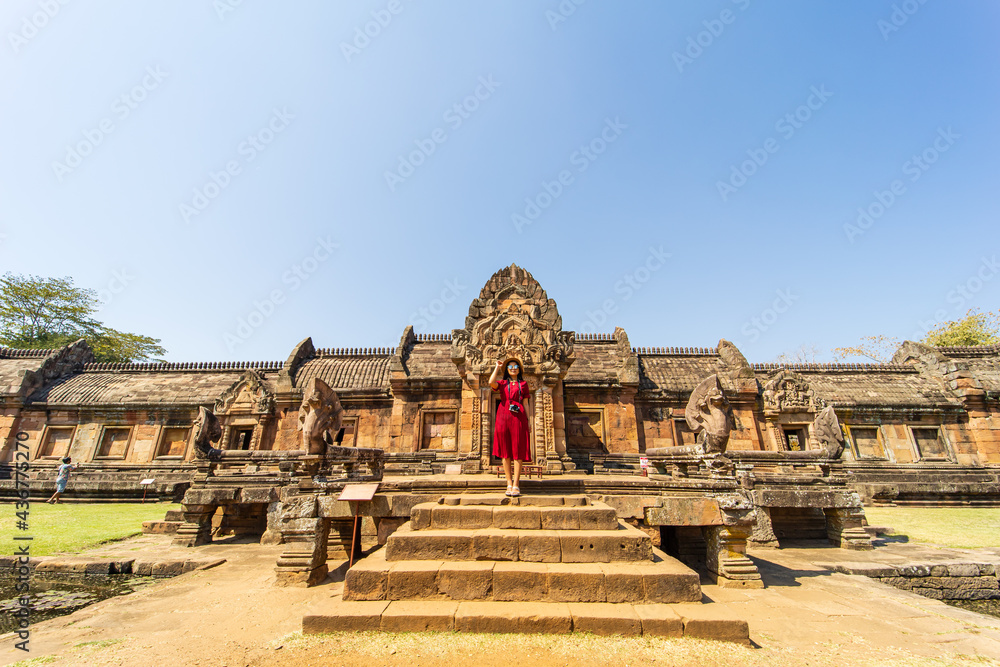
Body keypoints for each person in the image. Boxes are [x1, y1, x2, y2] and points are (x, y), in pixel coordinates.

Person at [489, 358, 531, 497]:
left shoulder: (523, 384)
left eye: (516, 366)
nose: (513, 368)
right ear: (507, 369)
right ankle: (508, 482)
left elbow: (526, 403)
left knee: (518, 450)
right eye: (510, 366)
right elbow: (491, 382)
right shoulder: (502, 383)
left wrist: (528, 420)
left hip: (519, 416)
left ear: (519, 369)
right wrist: (497, 367)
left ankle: (516, 484)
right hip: (503, 415)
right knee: (505, 451)